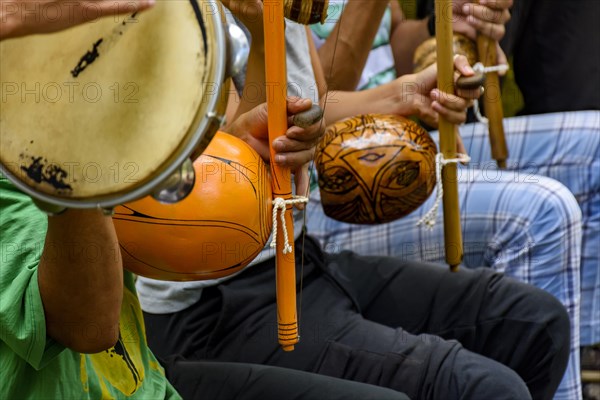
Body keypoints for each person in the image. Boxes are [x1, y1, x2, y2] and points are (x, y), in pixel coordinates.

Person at [136, 4, 571, 399]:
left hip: (299, 261)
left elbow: (314, 104)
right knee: (483, 389)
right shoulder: (173, 15)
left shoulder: (277, 9)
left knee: (536, 325)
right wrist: (259, 34)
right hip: (212, 304)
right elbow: (227, 182)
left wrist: (402, 95)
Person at [0, 2, 415, 399]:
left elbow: (155, 209)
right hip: (200, 315)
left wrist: (238, 152)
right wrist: (68, 137)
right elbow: (87, 327)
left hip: (150, 376)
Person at [310, 1, 599, 399]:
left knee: (595, 147)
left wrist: (442, 26)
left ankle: (582, 363)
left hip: (407, 139)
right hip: (327, 190)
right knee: (538, 213)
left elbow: (392, 43)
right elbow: (313, 102)